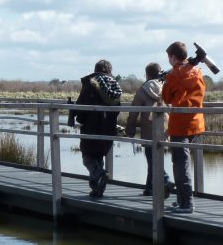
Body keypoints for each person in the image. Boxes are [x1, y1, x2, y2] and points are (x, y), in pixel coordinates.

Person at [162, 41, 206, 214]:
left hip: (180, 123)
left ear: (173, 57)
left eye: (169, 57)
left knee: (180, 164)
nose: (168, 60)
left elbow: (166, 97)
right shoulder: (198, 72)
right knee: (184, 162)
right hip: (196, 122)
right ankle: (181, 199)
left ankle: (186, 203)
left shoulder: (173, 75)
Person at [74, 59, 122, 197]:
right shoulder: (114, 85)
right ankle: (97, 190)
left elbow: (82, 106)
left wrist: (79, 119)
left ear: (96, 70)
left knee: (87, 157)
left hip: (91, 126)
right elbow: (118, 108)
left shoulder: (91, 83)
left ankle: (100, 174)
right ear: (109, 71)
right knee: (99, 156)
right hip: (108, 128)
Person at [125, 63, 173, 196]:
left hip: (149, 129)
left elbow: (134, 112)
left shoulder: (143, 89)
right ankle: (150, 188)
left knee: (152, 159)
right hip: (165, 128)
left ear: (146, 74)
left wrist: (130, 130)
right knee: (154, 158)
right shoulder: (166, 87)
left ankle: (166, 180)